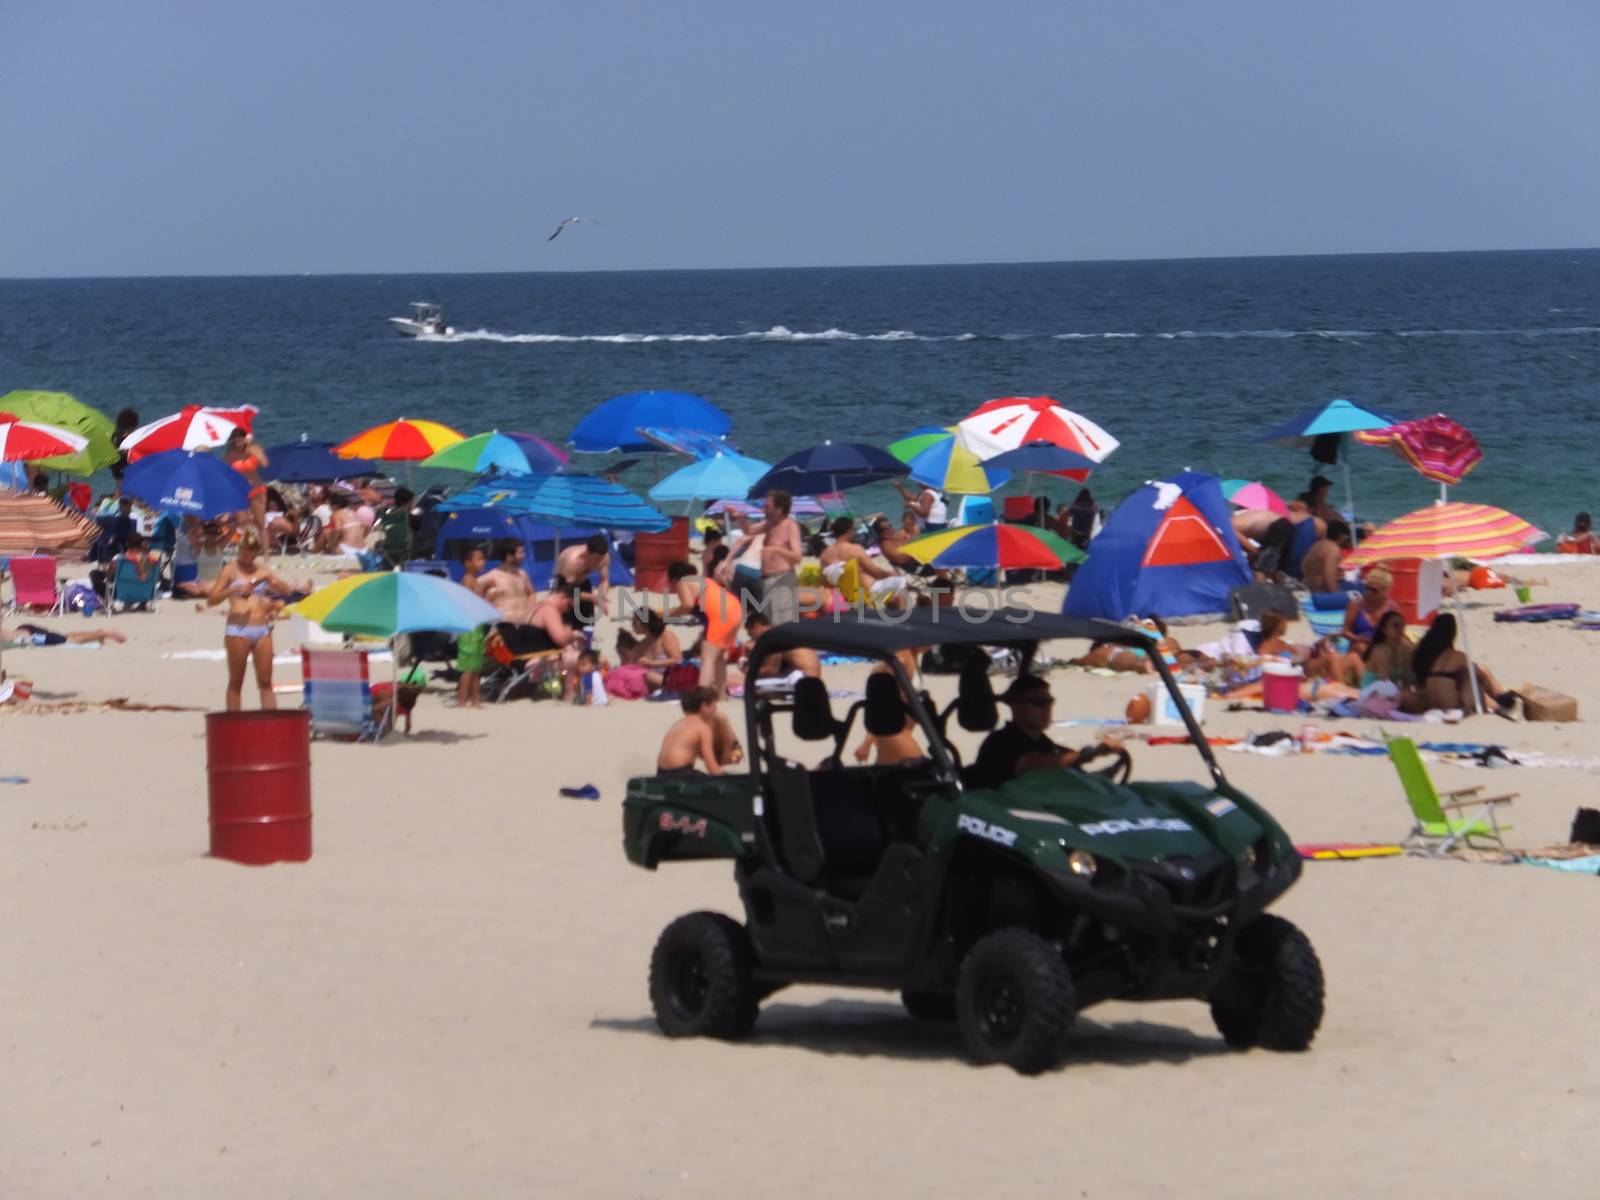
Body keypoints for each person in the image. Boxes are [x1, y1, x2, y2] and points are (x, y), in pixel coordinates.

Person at [970, 675, 1114, 791]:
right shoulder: (1000, 743)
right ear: (1016, 706)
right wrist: (1090, 754)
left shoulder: (1041, 742)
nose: (1047, 709)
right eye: (1039, 703)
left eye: (1049, 702)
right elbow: (1032, 765)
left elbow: (1060, 758)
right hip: (1000, 813)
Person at [206, 527, 295, 711]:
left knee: (265, 682)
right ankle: (234, 726)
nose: (249, 557)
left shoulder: (261, 569)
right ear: (240, 550)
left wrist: (272, 581)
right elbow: (212, 600)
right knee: (236, 682)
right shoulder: (230, 570)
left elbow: (287, 592)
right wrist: (233, 590)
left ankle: (271, 724)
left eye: (253, 553)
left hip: (262, 629)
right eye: (246, 552)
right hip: (238, 629)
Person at [1404, 612, 1515, 716]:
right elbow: (1475, 674)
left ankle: (1501, 697)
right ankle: (1501, 698)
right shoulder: (1457, 656)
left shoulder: (1421, 653)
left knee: (1475, 672)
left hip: (1429, 701)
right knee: (1475, 674)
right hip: (1450, 703)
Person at [728, 489, 803, 624]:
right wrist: (740, 518)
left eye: (767, 507)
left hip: (782, 580)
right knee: (768, 621)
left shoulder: (790, 526)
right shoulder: (769, 524)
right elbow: (749, 531)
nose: (764, 510)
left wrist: (777, 550)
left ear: (779, 509)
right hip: (765, 580)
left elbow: (798, 557)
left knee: (782, 621)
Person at [667, 560, 742, 696]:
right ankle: (720, 694)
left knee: (707, 659)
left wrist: (670, 613)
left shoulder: (682, 582)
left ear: (673, 579)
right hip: (735, 610)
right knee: (720, 657)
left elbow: (687, 605)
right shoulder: (705, 580)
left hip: (719, 615)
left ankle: (702, 696)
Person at [819, 516, 909, 605]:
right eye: (853, 530)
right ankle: (902, 615)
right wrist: (889, 574)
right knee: (901, 581)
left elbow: (824, 582)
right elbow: (875, 571)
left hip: (844, 595)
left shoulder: (825, 555)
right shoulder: (855, 549)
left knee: (891, 597)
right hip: (866, 592)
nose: (854, 533)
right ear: (848, 531)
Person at [478, 539, 539, 638]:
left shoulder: (522, 575)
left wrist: (529, 613)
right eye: (521, 553)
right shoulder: (489, 578)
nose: (523, 556)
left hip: (523, 627)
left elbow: (531, 593)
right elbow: (473, 601)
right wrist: (487, 600)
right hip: (503, 628)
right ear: (509, 556)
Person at [455, 544, 488, 708]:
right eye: (479, 559)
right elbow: (466, 603)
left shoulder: (475, 581)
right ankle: (462, 700)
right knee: (467, 667)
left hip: (477, 626)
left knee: (476, 666)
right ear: (468, 563)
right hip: (468, 627)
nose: (483, 562)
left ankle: (475, 699)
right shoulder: (467, 580)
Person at [1342, 567, 1401, 655]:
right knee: (1361, 648)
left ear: (1386, 590)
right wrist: (1357, 638)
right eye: (1367, 587)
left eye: (1374, 590)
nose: (1369, 592)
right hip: (1359, 646)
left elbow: (1398, 635)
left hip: (1382, 647)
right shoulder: (1357, 604)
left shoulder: (1392, 608)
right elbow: (1345, 631)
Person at [222, 428, 270, 536]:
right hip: (239, 491)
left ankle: (264, 551)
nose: (237, 442)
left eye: (240, 439)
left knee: (260, 523)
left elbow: (265, 463)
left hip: (256, 489)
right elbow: (224, 473)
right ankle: (249, 545)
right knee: (243, 521)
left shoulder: (254, 448)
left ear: (245, 439)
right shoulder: (230, 454)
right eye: (235, 440)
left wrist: (249, 449)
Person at [553, 533, 611, 623]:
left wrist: (602, 596)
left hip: (582, 583)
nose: (599, 562)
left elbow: (604, 580)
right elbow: (568, 591)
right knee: (565, 622)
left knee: (587, 622)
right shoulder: (572, 561)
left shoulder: (604, 557)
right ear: (588, 552)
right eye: (596, 559)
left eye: (601, 559)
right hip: (563, 585)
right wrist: (593, 598)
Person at [1362, 610, 1413, 687]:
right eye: (1395, 626)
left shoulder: (1406, 649)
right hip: (1372, 692)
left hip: (1391, 691)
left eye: (1402, 625)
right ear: (1384, 630)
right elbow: (1385, 682)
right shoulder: (1379, 651)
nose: (1400, 629)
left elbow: (1407, 679)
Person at [1300, 519, 1352, 595]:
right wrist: (1339, 597)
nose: (1348, 542)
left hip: (1310, 588)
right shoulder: (1334, 549)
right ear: (1341, 536)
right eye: (1347, 539)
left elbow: (1304, 566)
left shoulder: (1317, 544)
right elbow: (1329, 578)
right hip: (1322, 592)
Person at [372, 487, 415, 566]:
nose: (412, 505)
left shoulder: (388, 515)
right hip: (406, 552)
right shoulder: (409, 517)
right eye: (411, 502)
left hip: (388, 553)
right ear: (403, 503)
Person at [2, 621, 126, 647]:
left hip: (31, 638)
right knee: (64, 637)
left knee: (69, 641)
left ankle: (107, 633)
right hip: (25, 630)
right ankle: (98, 633)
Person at [109, 408, 139, 486]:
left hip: (115, 466)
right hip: (123, 466)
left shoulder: (115, 435)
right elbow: (124, 453)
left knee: (119, 481)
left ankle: (118, 493)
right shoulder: (127, 439)